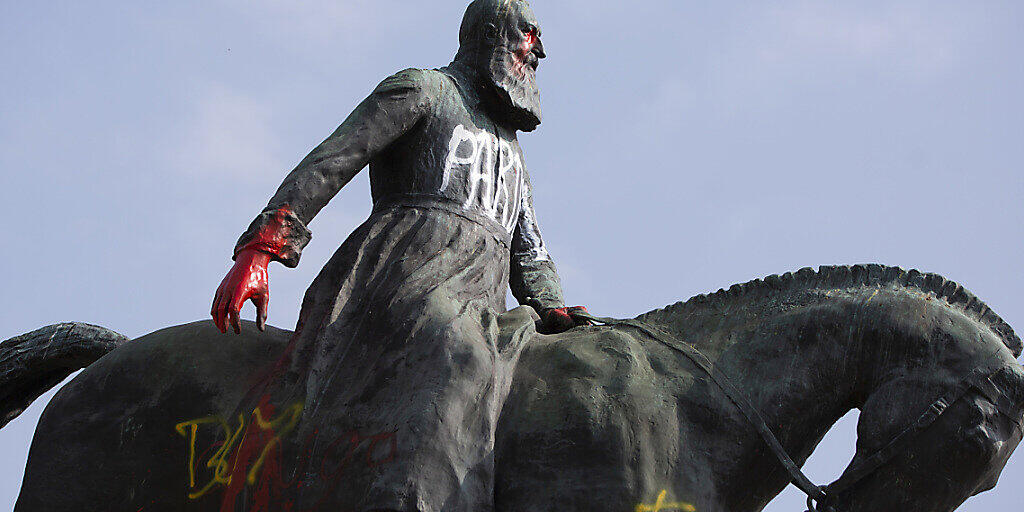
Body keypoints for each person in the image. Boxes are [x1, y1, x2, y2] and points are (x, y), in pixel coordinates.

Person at [210, 1, 588, 510]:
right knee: (459, 348)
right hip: (403, 281)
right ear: (492, 33)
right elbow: (332, 161)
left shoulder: (512, 151)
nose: (539, 50)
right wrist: (261, 251)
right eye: (528, 33)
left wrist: (551, 307)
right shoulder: (425, 90)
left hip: (480, 305)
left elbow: (529, 249)